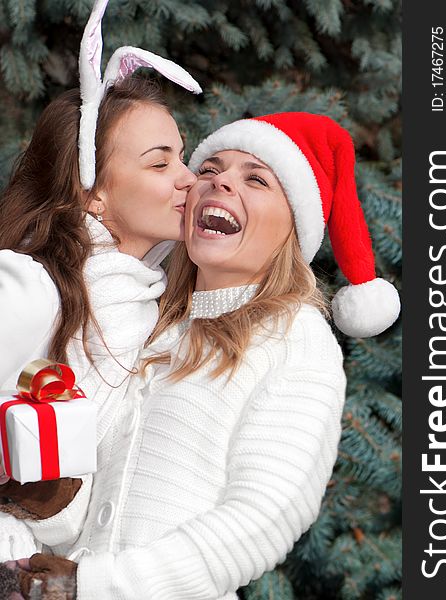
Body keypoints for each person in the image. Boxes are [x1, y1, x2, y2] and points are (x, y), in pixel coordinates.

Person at [2, 113, 400, 599]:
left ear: (294, 226)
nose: (217, 182)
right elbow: (97, 512)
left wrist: (95, 584)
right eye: (210, 169)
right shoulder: (153, 327)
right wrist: (47, 498)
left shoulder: (294, 335)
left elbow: (263, 519)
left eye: (255, 179)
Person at [0, 0, 201, 563]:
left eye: (181, 158)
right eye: (160, 164)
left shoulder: (153, 307)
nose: (188, 180)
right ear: (92, 192)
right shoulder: (29, 286)